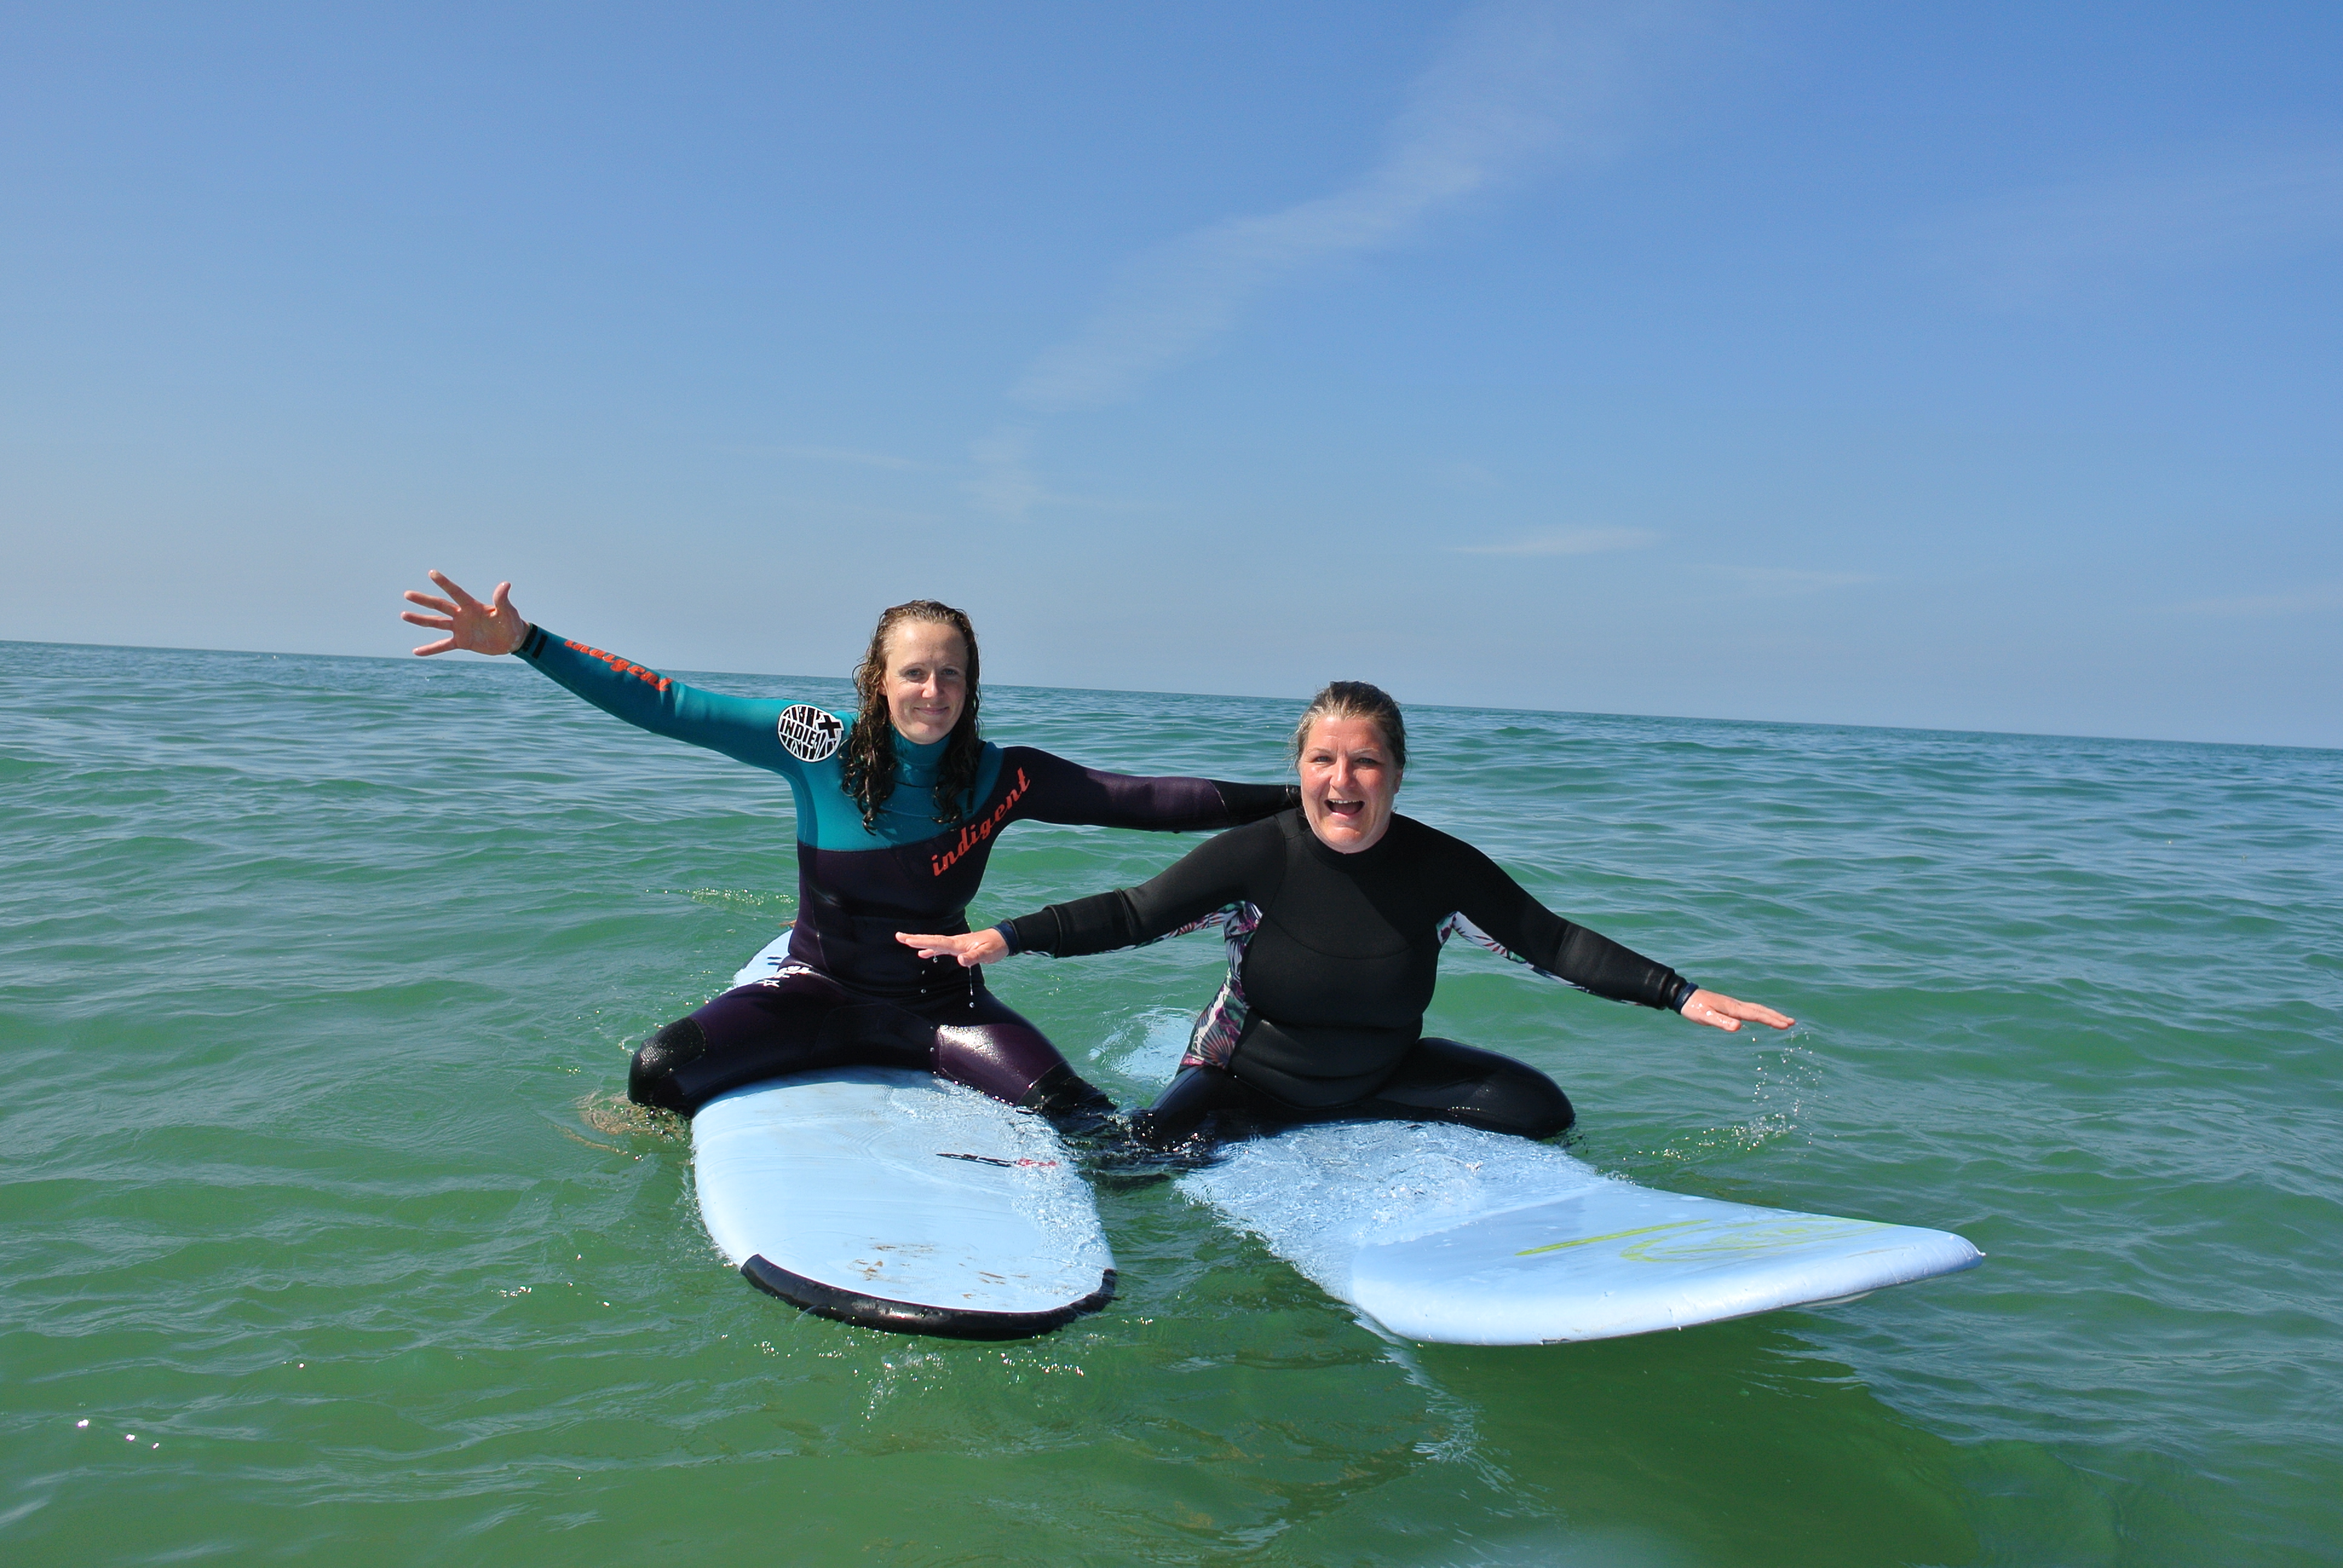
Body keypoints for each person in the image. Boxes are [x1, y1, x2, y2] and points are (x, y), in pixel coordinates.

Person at [401, 570, 1296, 1122]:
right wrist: (527, 643)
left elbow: (1142, 799)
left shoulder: (1004, 776)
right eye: (915, 670)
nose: (933, 689)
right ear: (878, 681)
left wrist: (1302, 800)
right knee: (658, 1075)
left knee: (1083, 1118)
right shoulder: (813, 742)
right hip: (816, 990)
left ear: (971, 686)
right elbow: (671, 704)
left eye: (952, 673)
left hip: (939, 1005)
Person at [898, 680, 1792, 1146]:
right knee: (1144, 1154)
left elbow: (1550, 941)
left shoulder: (1442, 867)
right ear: (1301, 770)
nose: (1342, 781)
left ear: (1396, 774)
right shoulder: (1263, 853)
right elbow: (1136, 911)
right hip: (1251, 1077)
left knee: (1540, 1110)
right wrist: (1006, 938)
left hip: (1380, 1073)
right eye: (1324, 760)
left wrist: (1677, 993)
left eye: (1365, 763)